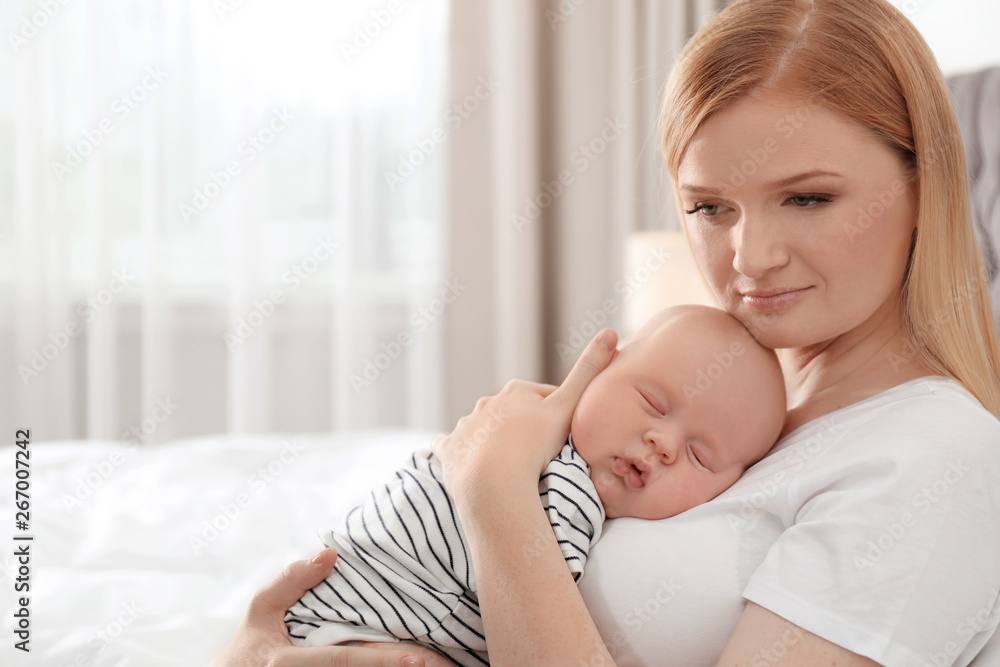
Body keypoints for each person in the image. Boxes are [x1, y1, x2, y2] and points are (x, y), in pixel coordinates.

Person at [213, 0, 1000, 665]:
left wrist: (493, 487)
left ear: (924, 184)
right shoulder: (752, 406)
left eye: (808, 199)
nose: (749, 257)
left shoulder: (941, 458)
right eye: (709, 207)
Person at [283, 305, 786, 665]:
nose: (663, 443)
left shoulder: (512, 441)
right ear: (597, 372)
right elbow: (534, 607)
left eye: (700, 456)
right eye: (653, 403)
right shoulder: (564, 488)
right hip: (353, 631)